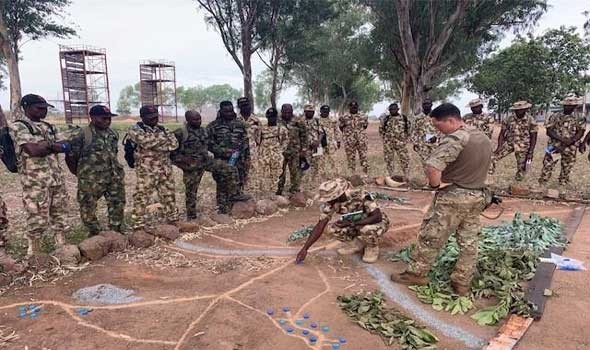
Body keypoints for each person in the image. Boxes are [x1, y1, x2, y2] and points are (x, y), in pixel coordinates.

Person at [390, 103, 491, 295]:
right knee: (469, 241)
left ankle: (417, 273)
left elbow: (432, 167)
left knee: (431, 236)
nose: (438, 131)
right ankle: (462, 282)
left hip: (454, 197)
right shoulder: (482, 137)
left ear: (451, 120)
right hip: (477, 195)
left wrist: (435, 186)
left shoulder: (456, 139)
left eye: (439, 126)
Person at [9, 94, 71, 256]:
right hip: (35, 181)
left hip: (56, 178)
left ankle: (61, 241)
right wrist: (53, 146)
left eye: (45, 108)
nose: (43, 111)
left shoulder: (50, 126)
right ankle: (34, 248)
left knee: (59, 211)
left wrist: (47, 145)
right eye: (39, 108)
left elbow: (66, 146)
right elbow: (33, 150)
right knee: (36, 214)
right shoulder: (19, 126)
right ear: (27, 108)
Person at [295, 178, 390, 264]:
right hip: (354, 223)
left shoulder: (360, 195)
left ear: (338, 196)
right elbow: (320, 225)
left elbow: (377, 217)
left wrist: (352, 223)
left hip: (376, 222)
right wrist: (305, 248)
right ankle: (356, 245)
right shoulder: (331, 204)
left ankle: (372, 247)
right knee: (332, 229)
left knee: (366, 229)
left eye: (330, 199)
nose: (328, 202)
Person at [65, 105, 125, 235]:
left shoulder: (113, 134)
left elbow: (113, 153)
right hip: (91, 179)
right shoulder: (82, 134)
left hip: (113, 176)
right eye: (104, 118)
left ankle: (115, 231)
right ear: (92, 117)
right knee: (87, 206)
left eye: (109, 118)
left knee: (117, 203)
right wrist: (79, 173)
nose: (107, 121)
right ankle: (95, 232)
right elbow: (71, 157)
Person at [127, 105, 179, 230]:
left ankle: (173, 219)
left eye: (156, 116)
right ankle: (138, 225)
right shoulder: (135, 129)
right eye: (150, 117)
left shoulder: (162, 128)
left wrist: (152, 143)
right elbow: (145, 141)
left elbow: (174, 144)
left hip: (165, 169)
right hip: (147, 170)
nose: (154, 119)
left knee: (169, 195)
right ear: (142, 117)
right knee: (142, 197)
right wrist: (162, 141)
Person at [207, 101, 252, 213]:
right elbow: (209, 144)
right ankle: (222, 209)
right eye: (226, 111)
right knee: (222, 184)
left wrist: (247, 158)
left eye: (231, 110)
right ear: (221, 111)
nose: (229, 113)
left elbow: (245, 142)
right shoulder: (213, 126)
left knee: (239, 181)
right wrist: (224, 151)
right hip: (222, 160)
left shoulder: (240, 124)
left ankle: (237, 208)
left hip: (239, 159)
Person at [171, 110, 213, 220]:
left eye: (199, 119)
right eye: (195, 119)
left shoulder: (204, 131)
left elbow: (209, 145)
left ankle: (224, 205)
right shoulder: (180, 133)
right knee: (191, 191)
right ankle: (191, 216)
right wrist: (183, 160)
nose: (198, 121)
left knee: (226, 170)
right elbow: (171, 153)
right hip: (191, 167)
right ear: (188, 120)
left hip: (205, 162)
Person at [538, 96, 586, 186]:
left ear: (575, 106)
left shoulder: (580, 117)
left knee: (567, 166)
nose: (568, 107)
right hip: (555, 146)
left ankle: (563, 183)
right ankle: (543, 182)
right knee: (548, 164)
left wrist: (572, 140)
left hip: (570, 147)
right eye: (566, 105)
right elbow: (549, 131)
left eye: (571, 106)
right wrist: (562, 140)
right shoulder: (555, 116)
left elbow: (581, 131)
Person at [489, 101, 537, 181]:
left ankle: (518, 183)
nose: (519, 111)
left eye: (521, 109)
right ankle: (489, 176)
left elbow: (534, 137)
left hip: (523, 145)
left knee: (522, 167)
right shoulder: (508, 119)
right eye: (517, 110)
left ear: (525, 109)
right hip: (509, 143)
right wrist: (499, 146)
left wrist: (531, 152)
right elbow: (502, 133)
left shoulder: (531, 120)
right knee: (492, 158)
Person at [277, 103, 308, 195]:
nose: (287, 113)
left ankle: (294, 191)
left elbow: (304, 136)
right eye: (285, 112)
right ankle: (279, 190)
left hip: (295, 151)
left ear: (292, 111)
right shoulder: (277, 120)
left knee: (295, 171)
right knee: (280, 172)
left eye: (289, 112)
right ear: (281, 111)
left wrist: (304, 150)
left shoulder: (298, 121)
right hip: (280, 151)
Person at [256, 107, 289, 192]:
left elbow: (286, 141)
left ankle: (275, 193)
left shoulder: (282, 129)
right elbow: (258, 140)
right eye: (270, 116)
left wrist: (280, 151)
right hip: (264, 155)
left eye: (273, 116)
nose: (271, 118)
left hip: (276, 156)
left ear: (276, 117)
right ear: (266, 116)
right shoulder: (261, 128)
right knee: (264, 174)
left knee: (276, 174)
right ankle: (265, 192)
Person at [379, 103, 410, 181]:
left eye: (394, 109)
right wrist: (385, 139)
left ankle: (406, 176)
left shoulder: (404, 118)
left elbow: (408, 130)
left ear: (398, 109)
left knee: (404, 159)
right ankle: (391, 176)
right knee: (389, 160)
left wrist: (404, 140)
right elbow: (381, 130)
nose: (392, 111)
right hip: (388, 143)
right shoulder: (386, 119)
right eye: (391, 109)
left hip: (400, 143)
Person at [339, 101, 369, 176]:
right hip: (349, 141)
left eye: (355, 107)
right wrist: (348, 135)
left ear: (358, 107)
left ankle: (365, 174)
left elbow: (365, 126)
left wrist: (359, 133)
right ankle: (352, 174)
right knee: (350, 158)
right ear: (349, 107)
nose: (354, 108)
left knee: (363, 157)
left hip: (361, 140)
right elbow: (341, 127)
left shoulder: (363, 116)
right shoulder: (344, 117)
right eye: (352, 107)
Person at [236, 97, 259, 193]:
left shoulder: (256, 120)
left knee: (250, 173)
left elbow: (259, 137)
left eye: (247, 105)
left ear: (250, 105)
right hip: (236, 151)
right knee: (236, 172)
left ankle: (248, 194)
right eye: (242, 106)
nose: (245, 108)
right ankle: (237, 193)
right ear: (239, 107)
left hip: (251, 151)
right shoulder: (235, 119)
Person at [410, 98, 438, 162]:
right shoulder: (418, 118)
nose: (426, 105)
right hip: (422, 144)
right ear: (422, 105)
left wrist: (437, 137)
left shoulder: (437, 116)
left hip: (435, 143)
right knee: (425, 164)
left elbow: (442, 129)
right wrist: (415, 143)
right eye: (424, 104)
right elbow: (414, 131)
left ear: (431, 105)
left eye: (428, 103)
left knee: (436, 163)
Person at [317, 105, 341, 179]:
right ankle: (320, 177)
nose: (325, 113)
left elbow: (337, 131)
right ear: (320, 111)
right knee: (320, 161)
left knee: (334, 160)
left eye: (327, 112)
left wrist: (338, 141)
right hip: (319, 145)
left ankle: (336, 176)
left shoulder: (333, 120)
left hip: (330, 144)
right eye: (324, 112)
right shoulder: (316, 120)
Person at [302, 104, 322, 184]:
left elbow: (322, 133)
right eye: (308, 112)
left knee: (317, 164)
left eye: (312, 112)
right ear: (304, 112)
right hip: (305, 147)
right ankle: (305, 181)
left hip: (317, 147)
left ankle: (315, 181)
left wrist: (318, 141)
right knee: (305, 164)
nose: (310, 113)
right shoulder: (300, 121)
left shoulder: (317, 121)